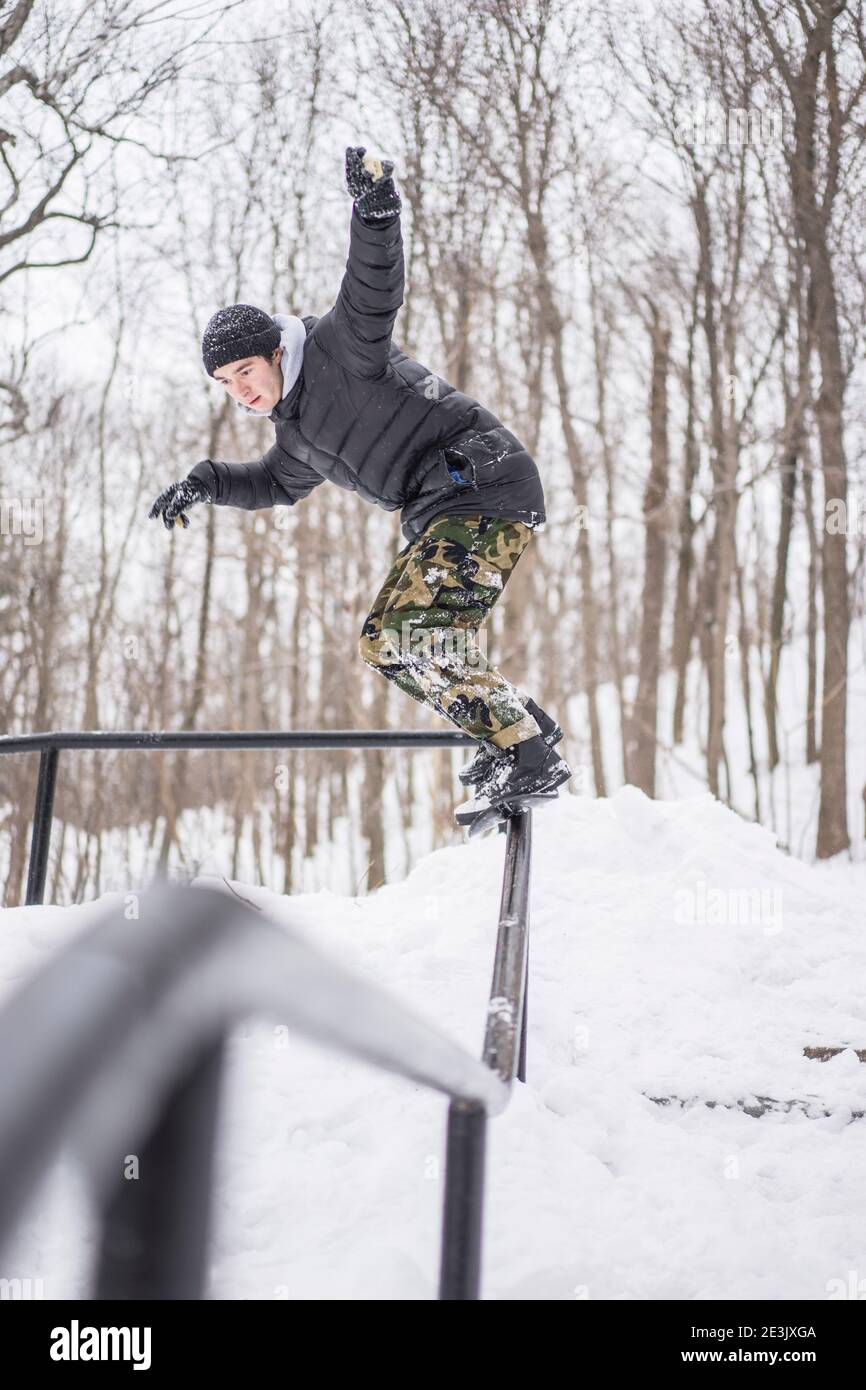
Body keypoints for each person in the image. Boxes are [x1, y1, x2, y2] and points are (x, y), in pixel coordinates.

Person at [148, 146, 572, 816]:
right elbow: (274, 484)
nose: (242, 393)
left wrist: (375, 209)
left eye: (246, 373)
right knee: (388, 643)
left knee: (413, 632)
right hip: (445, 509)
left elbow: (373, 285)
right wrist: (204, 482)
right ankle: (520, 731)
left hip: (481, 480)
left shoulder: (339, 348)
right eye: (226, 386)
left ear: (275, 351)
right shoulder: (294, 430)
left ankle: (529, 753)